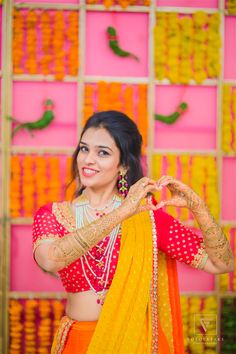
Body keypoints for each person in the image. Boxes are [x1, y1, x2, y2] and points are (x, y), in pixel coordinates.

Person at [32, 110, 234, 354]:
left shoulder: (147, 219)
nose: (88, 159)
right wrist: (122, 212)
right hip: (80, 342)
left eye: (102, 152)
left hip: (137, 342)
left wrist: (198, 208)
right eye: (84, 149)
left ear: (124, 166)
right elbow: (50, 259)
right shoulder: (53, 215)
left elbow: (221, 264)